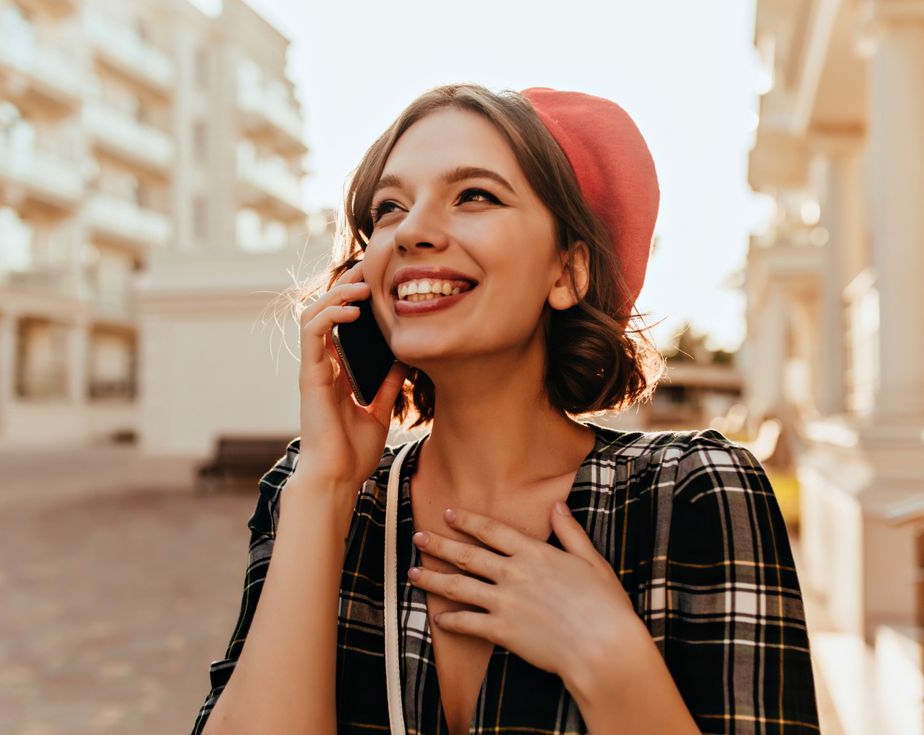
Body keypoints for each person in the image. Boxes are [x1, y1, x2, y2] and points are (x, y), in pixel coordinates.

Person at [191, 83, 821, 735]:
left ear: (567, 272)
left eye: (475, 196)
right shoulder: (311, 494)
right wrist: (324, 487)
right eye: (390, 208)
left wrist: (608, 657)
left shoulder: (692, 492)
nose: (412, 232)